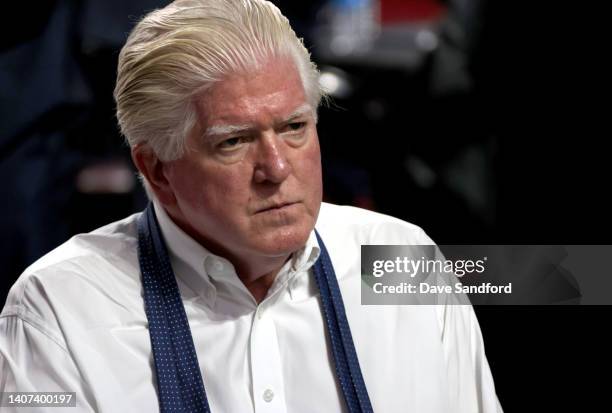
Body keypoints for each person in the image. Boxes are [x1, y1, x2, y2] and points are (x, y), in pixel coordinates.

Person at [0, 0, 502, 411]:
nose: (278, 168)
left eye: (294, 128)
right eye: (234, 141)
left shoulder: (402, 258)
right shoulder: (60, 309)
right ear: (156, 170)